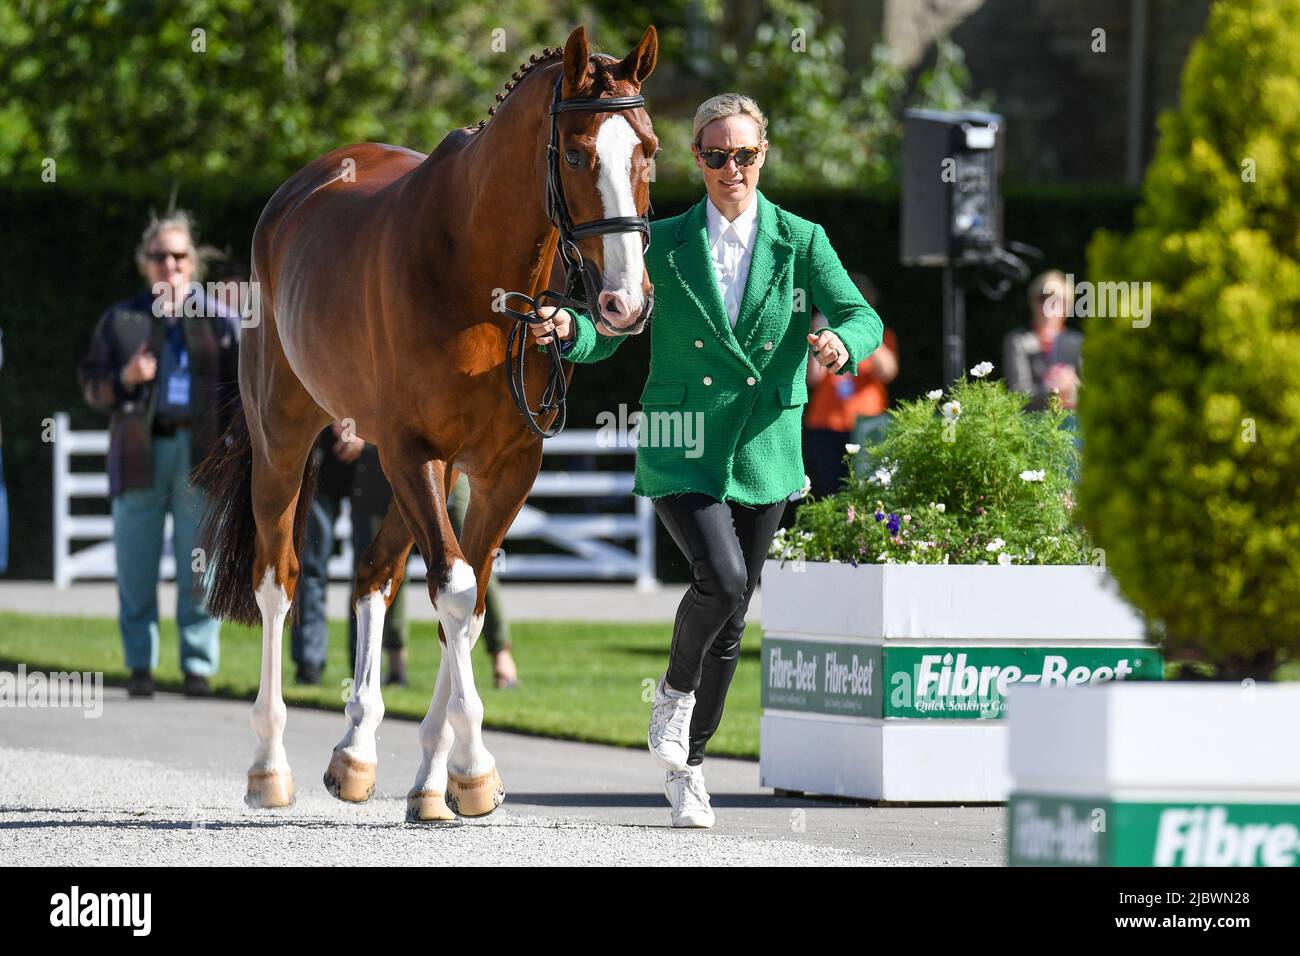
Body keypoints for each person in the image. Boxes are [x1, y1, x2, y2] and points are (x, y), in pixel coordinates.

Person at [532, 92, 883, 828]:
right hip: (681, 441)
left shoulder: (802, 239)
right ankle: (672, 693)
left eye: (745, 154)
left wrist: (842, 343)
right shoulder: (659, 240)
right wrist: (571, 328)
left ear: (764, 155)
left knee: (732, 617)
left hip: (765, 445)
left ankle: (690, 765)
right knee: (720, 580)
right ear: (696, 158)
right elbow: (613, 329)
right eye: (717, 155)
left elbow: (862, 314)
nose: (732, 168)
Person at [78, 210, 240, 698]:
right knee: (135, 567)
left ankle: (197, 666)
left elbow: (243, 393)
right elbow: (90, 383)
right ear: (144, 264)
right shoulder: (122, 319)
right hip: (139, 454)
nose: (169, 264)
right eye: (159, 256)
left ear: (192, 262)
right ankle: (140, 667)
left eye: (178, 255)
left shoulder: (220, 322)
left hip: (201, 456)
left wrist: (234, 449)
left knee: (200, 566)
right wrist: (123, 380)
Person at [803, 272, 898, 498]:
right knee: (830, 491)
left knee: (872, 490)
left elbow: (888, 371)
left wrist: (865, 330)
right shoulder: (824, 329)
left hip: (868, 423)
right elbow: (811, 379)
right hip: (826, 423)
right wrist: (819, 336)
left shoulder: (880, 332)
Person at [1003, 269, 1082, 410]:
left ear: (1067, 306)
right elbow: (1018, 393)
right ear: (1033, 301)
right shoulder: (1018, 341)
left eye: (1057, 300)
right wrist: (1054, 390)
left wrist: (1074, 386)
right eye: (1043, 298)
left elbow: (1094, 392)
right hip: (1033, 426)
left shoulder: (1078, 343)